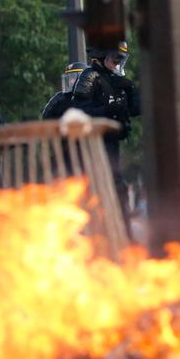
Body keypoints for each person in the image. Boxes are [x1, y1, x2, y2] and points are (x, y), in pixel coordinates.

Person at [72, 41, 141, 223]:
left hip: (112, 144)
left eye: (120, 59)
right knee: (98, 190)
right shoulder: (89, 76)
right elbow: (78, 111)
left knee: (118, 189)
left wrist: (132, 91)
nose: (118, 63)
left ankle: (123, 234)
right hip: (94, 145)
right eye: (115, 58)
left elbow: (134, 109)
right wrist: (106, 112)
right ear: (102, 56)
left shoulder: (116, 80)